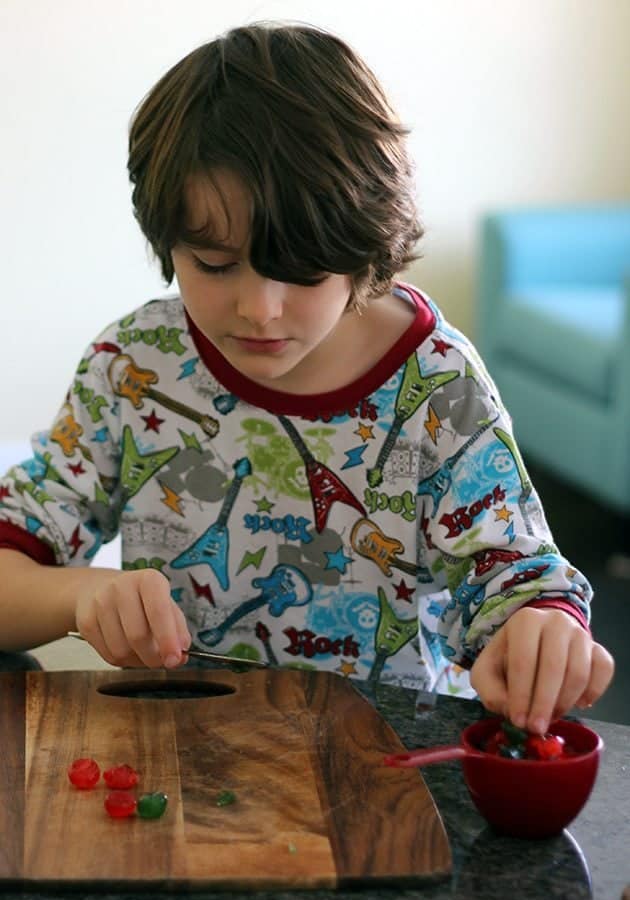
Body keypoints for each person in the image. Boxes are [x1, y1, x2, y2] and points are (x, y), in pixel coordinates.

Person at [0, 22, 614, 733]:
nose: (259, 309)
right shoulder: (134, 365)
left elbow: (519, 584)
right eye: (215, 264)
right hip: (178, 762)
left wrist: (540, 629)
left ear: (363, 243)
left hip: (391, 782)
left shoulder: (438, 385)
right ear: (167, 239)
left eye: (300, 267)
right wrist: (81, 594)